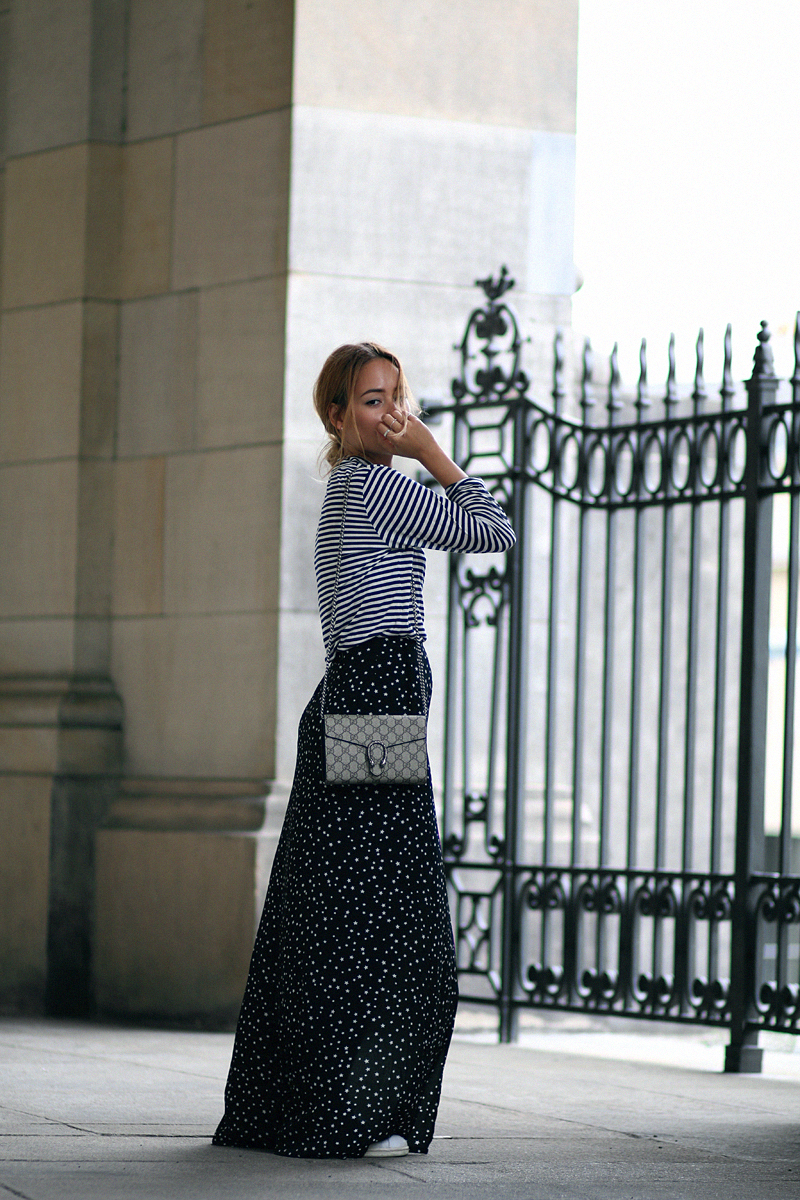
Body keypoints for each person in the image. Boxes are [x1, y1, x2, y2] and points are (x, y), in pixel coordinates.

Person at [212, 342, 516, 1159]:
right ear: (339, 417)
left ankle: (309, 1106)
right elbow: (495, 530)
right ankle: (355, 1111)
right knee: (386, 908)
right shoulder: (380, 484)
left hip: (355, 692)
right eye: (370, 402)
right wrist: (432, 452)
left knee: (333, 904)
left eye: (395, 398)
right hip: (376, 692)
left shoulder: (348, 489)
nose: (388, 413)